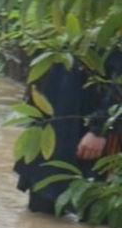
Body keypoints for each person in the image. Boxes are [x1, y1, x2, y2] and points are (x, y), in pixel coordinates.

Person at [15, 52, 122, 214]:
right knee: (42, 209)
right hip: (50, 132)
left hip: (91, 135)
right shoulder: (54, 36)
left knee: (95, 212)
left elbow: (118, 85)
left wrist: (99, 129)